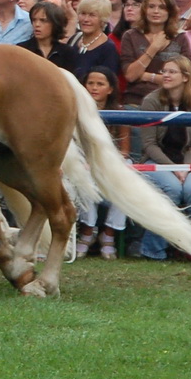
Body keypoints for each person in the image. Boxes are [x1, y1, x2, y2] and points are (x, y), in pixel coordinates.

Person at [137, 55, 191, 263]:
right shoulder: (151, 101)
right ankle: (153, 250)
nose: (166, 75)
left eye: (172, 72)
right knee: (172, 189)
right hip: (157, 162)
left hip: (190, 163)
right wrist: (173, 168)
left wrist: (185, 167)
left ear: (185, 77)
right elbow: (149, 145)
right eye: (164, 71)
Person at [78, 68, 131, 258]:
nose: (94, 88)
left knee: (127, 177)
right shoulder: (76, 109)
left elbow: (124, 150)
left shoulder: (120, 112)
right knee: (82, 176)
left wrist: (107, 162)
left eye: (100, 84)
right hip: (83, 161)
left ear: (110, 89)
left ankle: (109, 234)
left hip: (110, 161)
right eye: (90, 83)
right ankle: (87, 231)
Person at [72, 0, 118, 86]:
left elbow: (107, 83)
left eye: (92, 15)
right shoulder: (74, 39)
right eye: (83, 14)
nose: (86, 19)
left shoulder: (108, 48)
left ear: (102, 20)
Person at [18, 1, 77, 73]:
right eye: (34, 20)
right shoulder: (21, 50)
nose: (37, 24)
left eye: (43, 20)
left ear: (55, 23)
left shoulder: (67, 52)